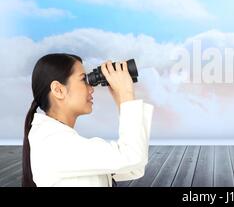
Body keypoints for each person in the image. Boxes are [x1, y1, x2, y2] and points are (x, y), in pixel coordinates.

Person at [22, 53, 153, 187]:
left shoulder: (56, 140)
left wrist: (122, 100)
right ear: (58, 90)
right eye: (84, 80)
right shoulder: (52, 143)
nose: (91, 89)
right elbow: (132, 157)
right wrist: (126, 95)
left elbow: (134, 168)